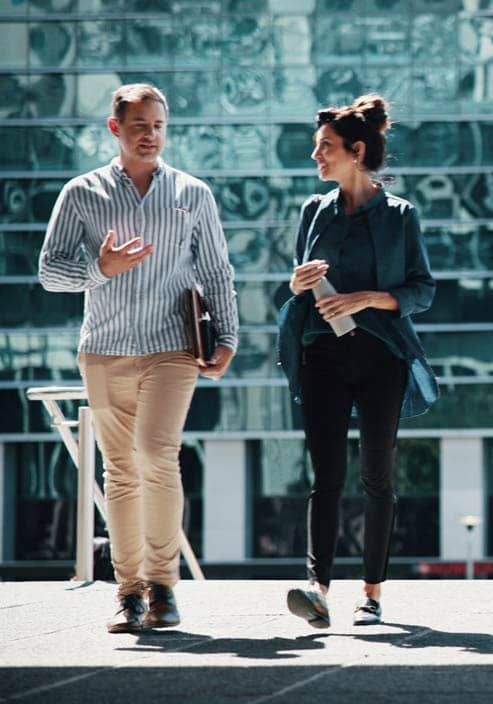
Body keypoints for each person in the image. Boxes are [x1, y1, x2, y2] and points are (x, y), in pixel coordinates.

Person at [38, 83, 238, 633]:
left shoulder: (192, 194)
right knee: (121, 472)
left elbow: (217, 272)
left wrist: (227, 339)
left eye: (158, 126)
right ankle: (128, 593)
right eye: (138, 126)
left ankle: (164, 586)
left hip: (171, 348)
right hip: (103, 351)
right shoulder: (82, 193)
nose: (149, 136)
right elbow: (50, 273)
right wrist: (100, 269)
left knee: (156, 453)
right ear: (115, 129)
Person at [278, 94, 438, 628]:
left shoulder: (400, 217)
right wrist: (298, 283)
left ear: (357, 150)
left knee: (377, 477)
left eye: (325, 147)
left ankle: (371, 593)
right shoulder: (312, 211)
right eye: (317, 147)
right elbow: (300, 285)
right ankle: (316, 588)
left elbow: (422, 290)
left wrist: (366, 298)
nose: (316, 157)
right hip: (321, 352)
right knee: (326, 474)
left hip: (380, 356)